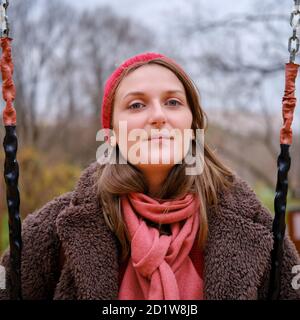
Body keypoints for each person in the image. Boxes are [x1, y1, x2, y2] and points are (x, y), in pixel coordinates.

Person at [0, 52, 299, 300]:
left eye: (173, 102)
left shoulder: (257, 228)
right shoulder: (53, 229)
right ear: (112, 134)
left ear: (192, 126)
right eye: (136, 104)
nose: (158, 116)